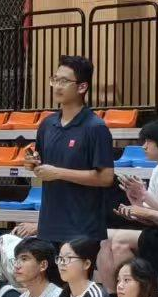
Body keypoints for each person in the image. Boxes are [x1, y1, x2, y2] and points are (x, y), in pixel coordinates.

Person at [23, 56, 117, 245]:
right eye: (55, 79)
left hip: (82, 230)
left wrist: (58, 173)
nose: (57, 86)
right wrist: (31, 164)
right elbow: (42, 164)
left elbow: (106, 177)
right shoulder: (47, 124)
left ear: (82, 87)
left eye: (64, 81)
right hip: (49, 226)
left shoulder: (95, 127)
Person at [106, 118, 158, 282]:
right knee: (104, 239)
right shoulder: (157, 170)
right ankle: (116, 293)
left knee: (119, 241)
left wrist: (143, 195)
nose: (144, 146)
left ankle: (142, 289)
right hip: (157, 228)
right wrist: (135, 204)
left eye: (149, 141)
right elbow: (151, 213)